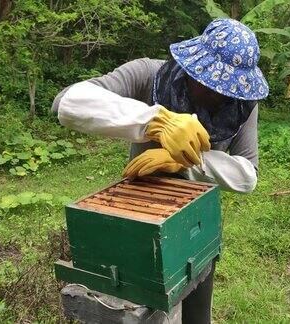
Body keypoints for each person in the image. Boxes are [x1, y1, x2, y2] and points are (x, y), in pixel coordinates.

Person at [52, 18, 268, 324]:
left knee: (198, 310)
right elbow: (66, 102)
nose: (221, 95)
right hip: (138, 208)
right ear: (194, 66)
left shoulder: (243, 100)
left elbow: (248, 173)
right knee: (140, 304)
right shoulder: (147, 73)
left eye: (228, 89)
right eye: (211, 84)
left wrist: (187, 161)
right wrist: (155, 120)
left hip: (197, 216)